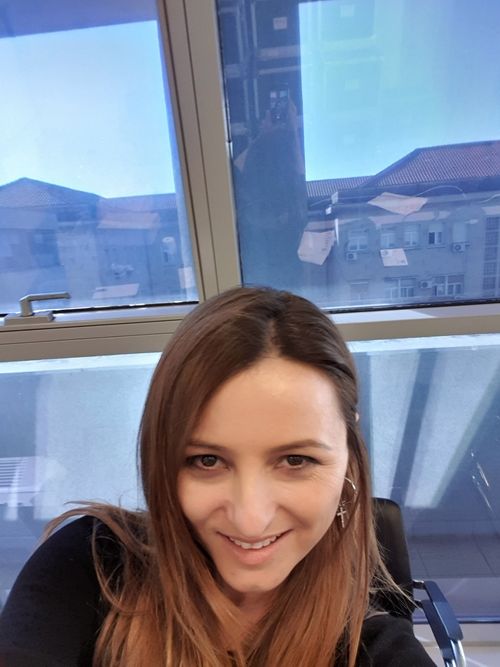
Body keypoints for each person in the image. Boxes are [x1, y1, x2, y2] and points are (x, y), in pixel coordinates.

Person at [0, 287, 436, 666]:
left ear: (350, 452)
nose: (251, 520)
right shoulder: (91, 567)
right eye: (207, 460)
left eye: (296, 460)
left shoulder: (373, 646)